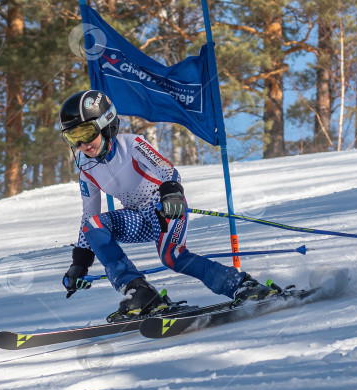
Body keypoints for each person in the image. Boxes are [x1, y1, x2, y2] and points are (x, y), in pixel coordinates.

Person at [59, 89, 278, 318]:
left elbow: (166, 169)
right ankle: (139, 292)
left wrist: (171, 191)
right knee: (93, 225)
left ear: (106, 124)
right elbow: (88, 215)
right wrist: (80, 263)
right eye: (73, 138)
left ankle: (243, 285)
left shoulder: (132, 145)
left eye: (86, 132)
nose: (82, 144)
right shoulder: (86, 167)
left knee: (172, 256)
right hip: (138, 218)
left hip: (165, 207)